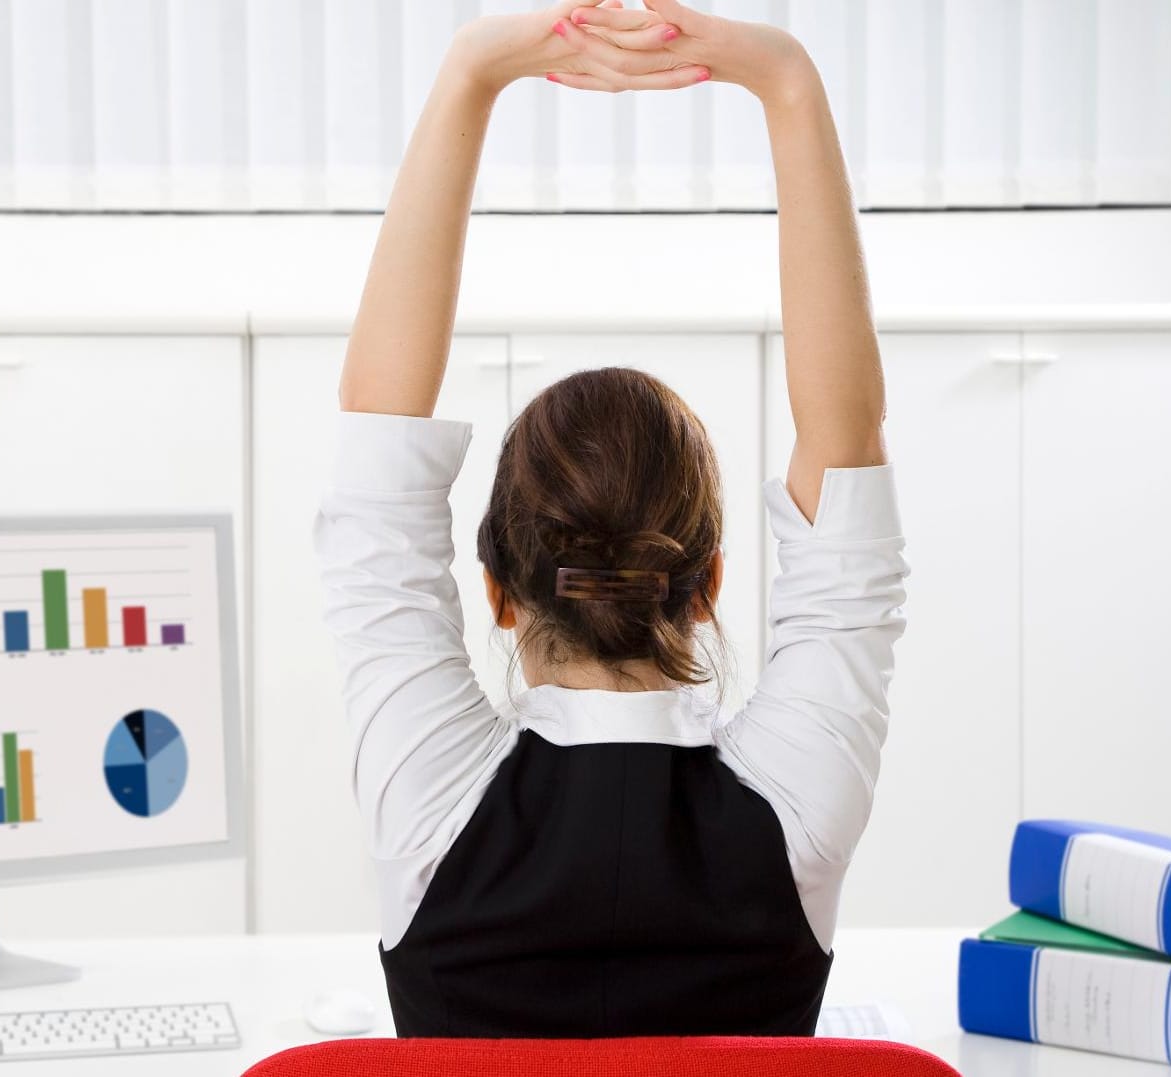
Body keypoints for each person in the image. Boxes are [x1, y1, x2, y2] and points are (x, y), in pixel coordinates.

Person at [315, 0, 906, 1038]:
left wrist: (469, 74)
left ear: (497, 590)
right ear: (709, 578)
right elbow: (845, 437)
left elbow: (378, 451)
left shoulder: (430, 803)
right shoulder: (794, 810)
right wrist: (787, 87)